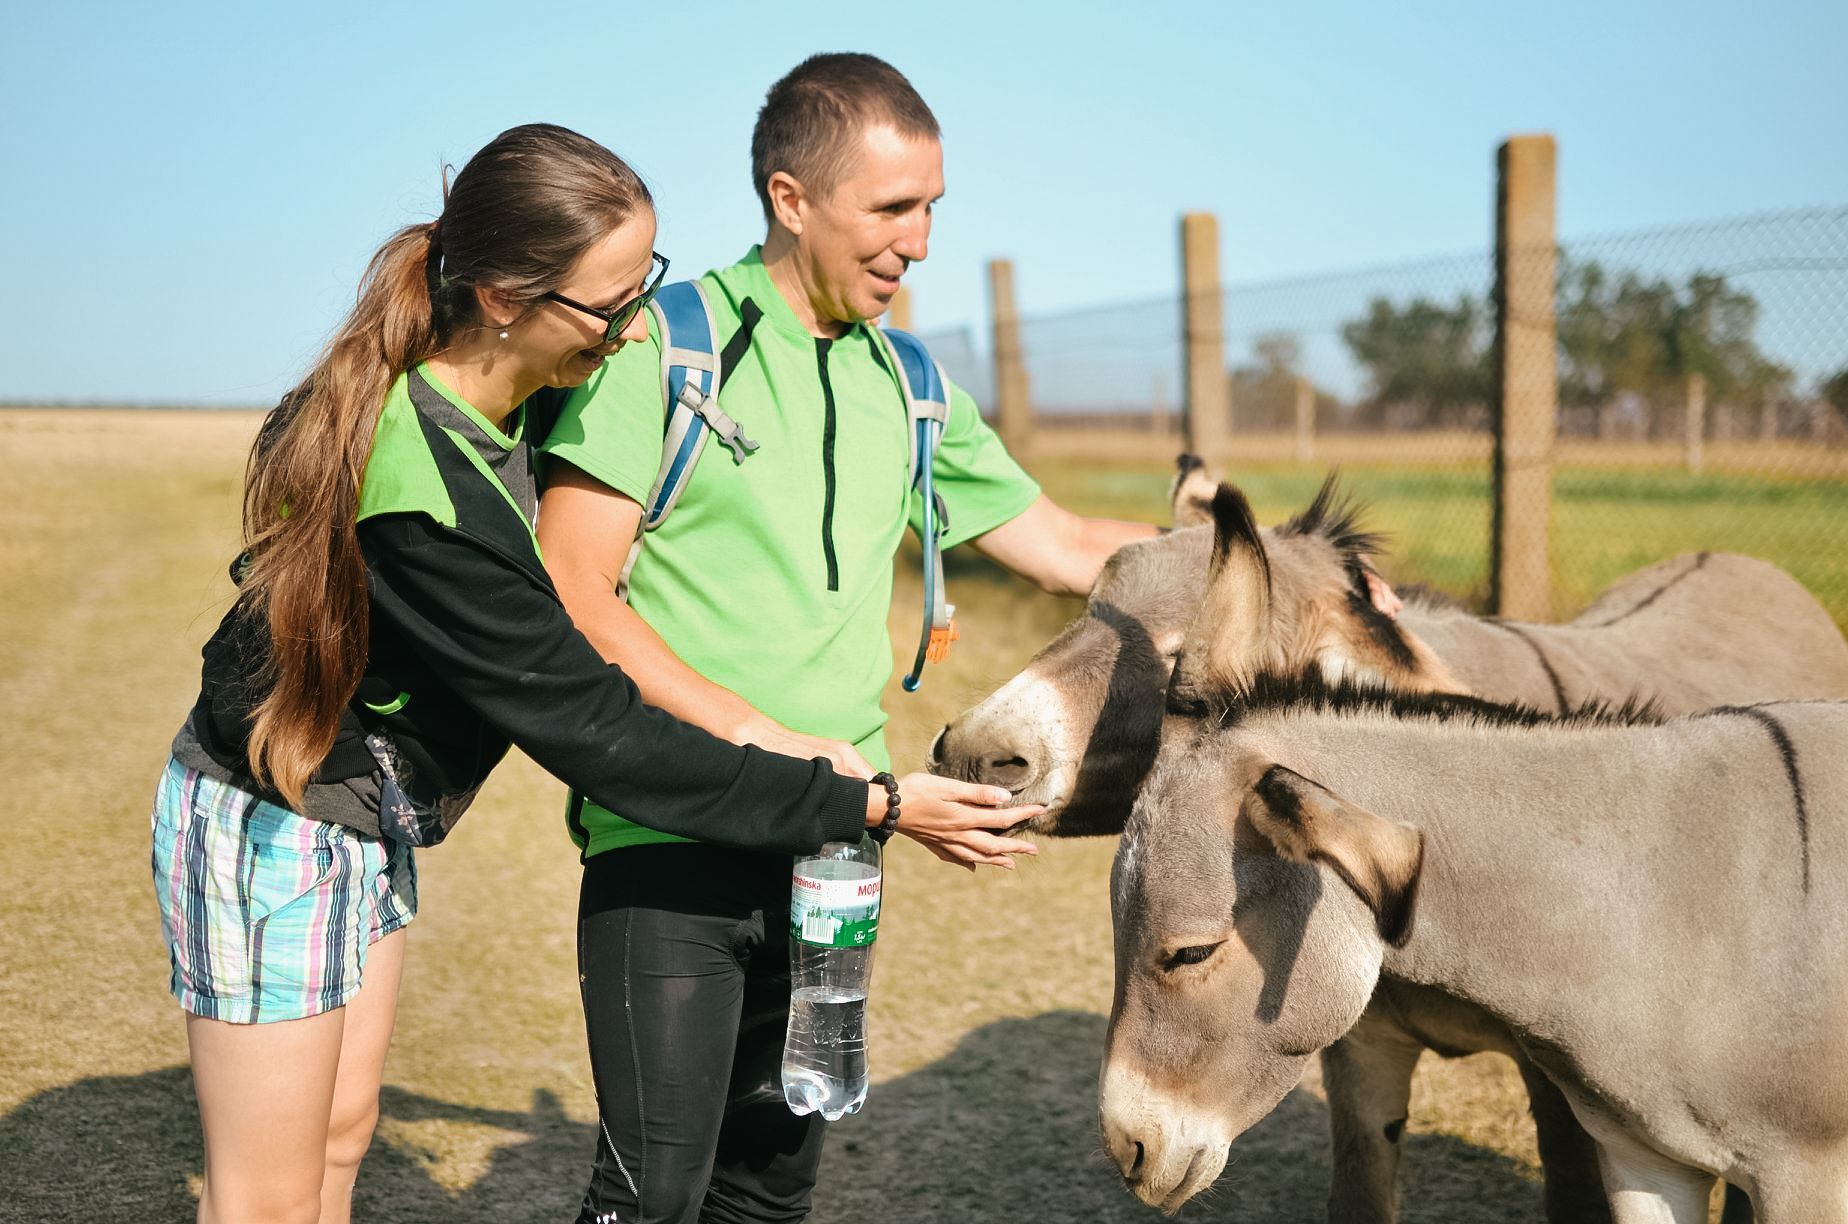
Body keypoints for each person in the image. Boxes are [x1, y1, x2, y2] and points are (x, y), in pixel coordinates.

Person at [150, 121, 1030, 1224]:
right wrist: (871, 801)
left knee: (338, 1140)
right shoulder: (431, 509)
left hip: (362, 818)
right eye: (610, 306)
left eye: (642, 287)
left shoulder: (506, 406)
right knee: (268, 1197)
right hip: (273, 825)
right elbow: (612, 741)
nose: (630, 333)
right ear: (508, 299)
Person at [535, 55, 1166, 1224]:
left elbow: (1072, 543)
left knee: (772, 1190)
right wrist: (767, 739)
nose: (919, 242)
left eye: (931, 209)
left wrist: (1260, 553)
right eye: (891, 209)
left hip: (838, 847)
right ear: (790, 198)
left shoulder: (913, 382)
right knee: (654, 1192)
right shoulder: (664, 349)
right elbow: (575, 590)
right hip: (667, 827)